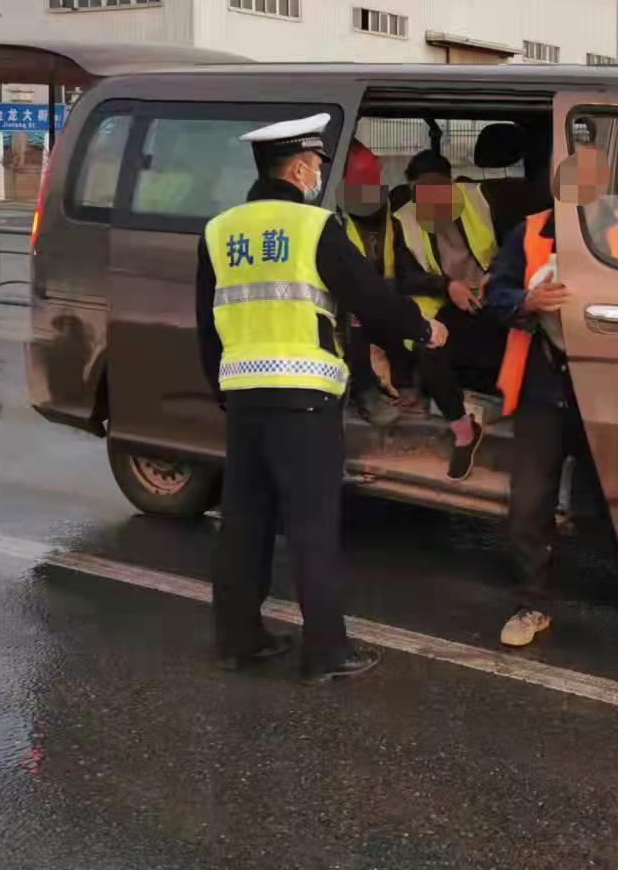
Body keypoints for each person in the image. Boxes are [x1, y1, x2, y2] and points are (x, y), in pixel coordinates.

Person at [196, 114, 448, 682]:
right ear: (297, 169)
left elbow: (207, 326)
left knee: (245, 522)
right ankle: (326, 652)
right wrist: (422, 329)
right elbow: (370, 294)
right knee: (313, 525)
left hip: (244, 398)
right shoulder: (313, 227)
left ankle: (238, 641)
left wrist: (224, 391)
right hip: (304, 399)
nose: (317, 176)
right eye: (314, 166)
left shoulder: (219, 230)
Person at [485, 147, 618, 659]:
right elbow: (495, 293)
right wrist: (525, 302)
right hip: (544, 388)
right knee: (529, 504)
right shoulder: (530, 232)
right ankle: (532, 605)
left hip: (613, 392)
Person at [391, 149, 509, 481]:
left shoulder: (482, 199)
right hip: (446, 303)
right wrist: (447, 286)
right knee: (430, 347)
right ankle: (464, 432)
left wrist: (497, 274)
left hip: (493, 295)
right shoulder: (402, 219)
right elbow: (404, 275)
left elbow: (520, 242)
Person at [338, 139, 405, 427]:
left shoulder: (386, 207)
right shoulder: (331, 216)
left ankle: (400, 382)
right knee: (354, 322)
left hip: (384, 290)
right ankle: (365, 393)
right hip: (348, 299)